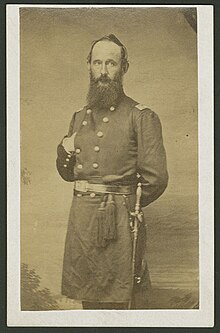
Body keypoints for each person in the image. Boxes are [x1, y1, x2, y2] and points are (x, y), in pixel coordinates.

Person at [56, 34, 168, 310]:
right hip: (82, 224)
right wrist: (63, 150)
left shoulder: (141, 116)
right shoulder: (79, 117)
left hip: (117, 225)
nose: (103, 71)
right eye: (97, 63)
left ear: (123, 68)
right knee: (89, 301)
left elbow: (156, 179)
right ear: (89, 66)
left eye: (111, 63)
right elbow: (68, 174)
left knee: (120, 302)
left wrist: (124, 207)